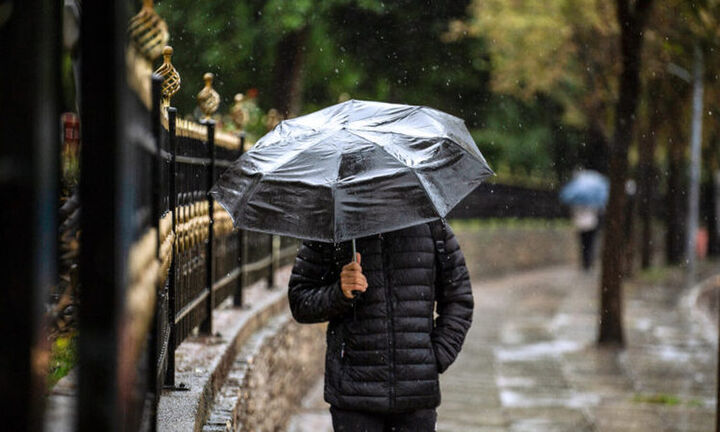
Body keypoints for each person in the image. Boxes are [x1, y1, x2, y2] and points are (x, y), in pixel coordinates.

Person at [288, 221, 473, 432]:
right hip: (354, 395)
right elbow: (300, 301)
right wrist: (340, 292)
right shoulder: (333, 228)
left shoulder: (431, 226)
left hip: (415, 398)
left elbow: (459, 300)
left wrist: (435, 356)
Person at [570, 205, 601, 270]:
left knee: (583, 245)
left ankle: (585, 262)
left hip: (581, 226)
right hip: (591, 225)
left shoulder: (577, 204)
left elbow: (574, 214)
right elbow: (596, 213)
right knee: (590, 245)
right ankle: (589, 261)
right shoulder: (593, 203)